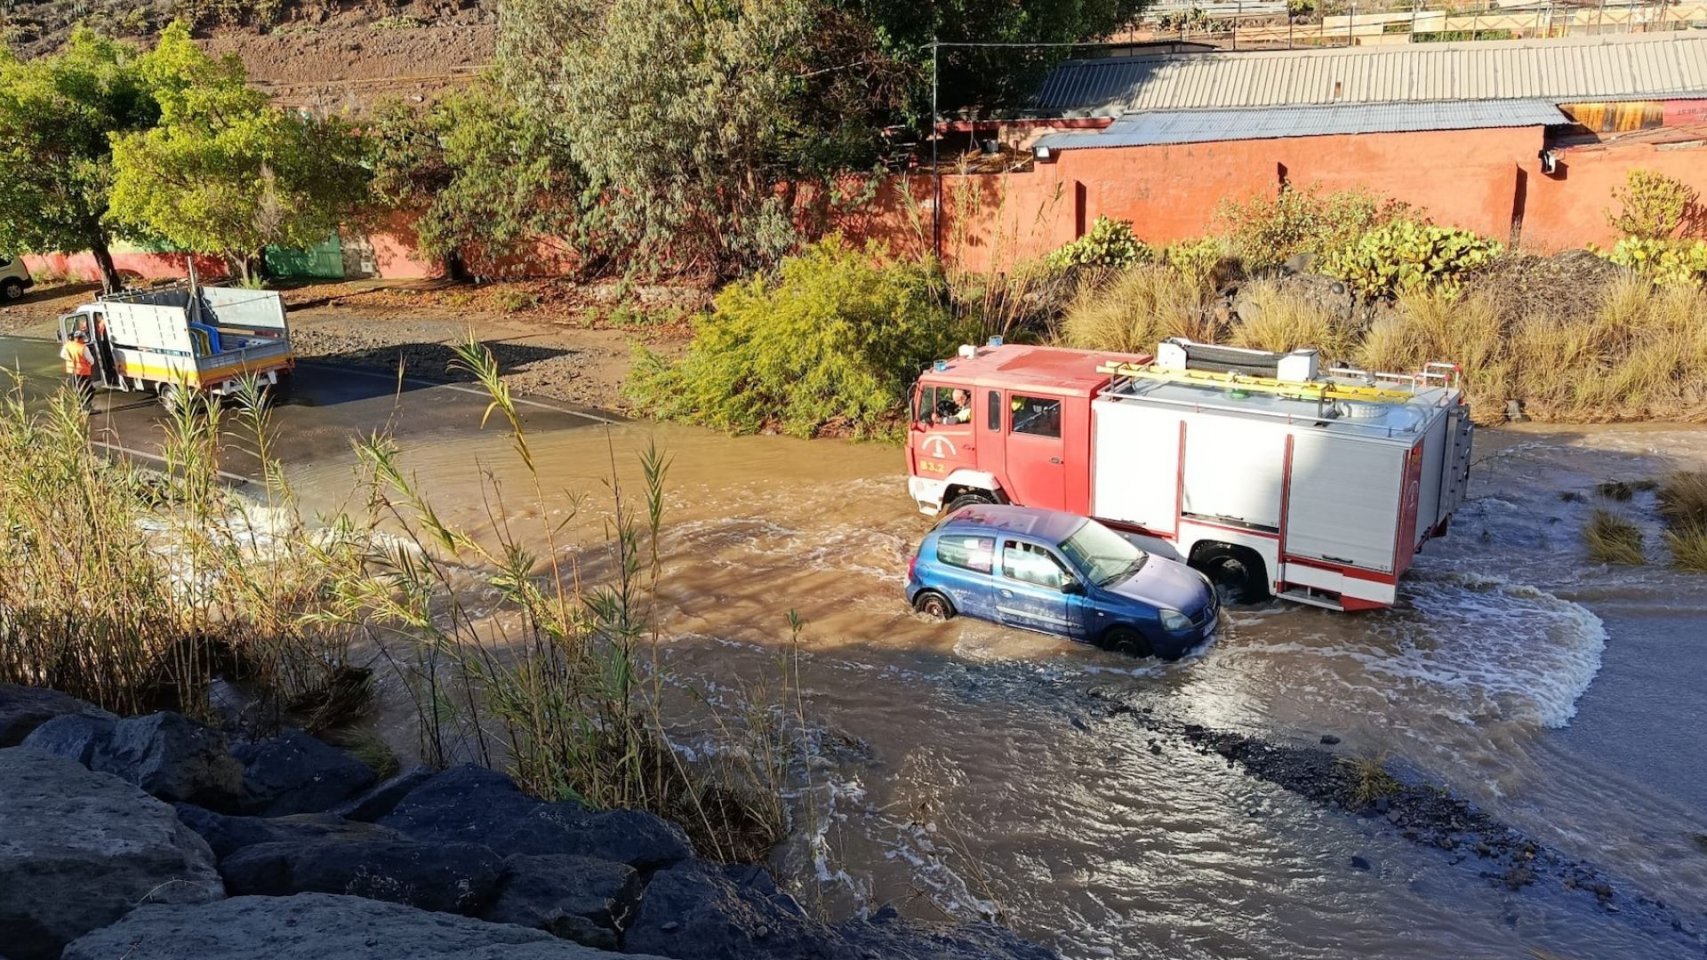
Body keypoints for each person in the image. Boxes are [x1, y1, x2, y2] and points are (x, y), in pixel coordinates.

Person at [61, 332, 94, 413]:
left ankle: (79, 407)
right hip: (82, 372)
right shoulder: (83, 348)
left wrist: (71, 359)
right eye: (83, 338)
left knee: (76, 390)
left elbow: (62, 355)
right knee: (88, 390)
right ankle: (87, 408)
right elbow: (91, 361)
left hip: (71, 371)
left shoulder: (67, 345)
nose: (84, 339)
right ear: (80, 338)